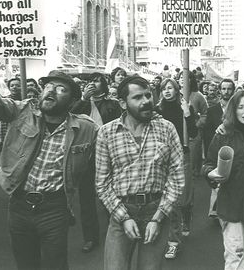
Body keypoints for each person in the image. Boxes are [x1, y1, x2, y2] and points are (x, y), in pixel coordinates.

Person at [0, 66, 99, 269]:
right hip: (19, 205)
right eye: (48, 85)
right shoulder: (21, 111)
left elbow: (113, 142)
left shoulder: (86, 128)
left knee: (55, 264)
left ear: (72, 100)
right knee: (25, 263)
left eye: (60, 89)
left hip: (55, 208)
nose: (50, 90)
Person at [95, 75, 185, 270]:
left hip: (156, 209)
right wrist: (124, 217)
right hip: (121, 211)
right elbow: (102, 183)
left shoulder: (166, 128)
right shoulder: (106, 133)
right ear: (122, 102)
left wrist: (158, 217)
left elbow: (177, 179)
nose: (146, 101)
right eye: (137, 98)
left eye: (148, 95)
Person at [203, 91, 244, 270]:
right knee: (235, 255)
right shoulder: (223, 134)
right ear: (234, 109)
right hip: (230, 205)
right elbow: (208, 164)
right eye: (240, 107)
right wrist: (211, 174)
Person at [71, 72, 122, 253]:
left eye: (97, 80)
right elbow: (70, 116)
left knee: (111, 195)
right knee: (86, 199)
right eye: (90, 81)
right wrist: (84, 99)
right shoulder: (82, 103)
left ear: (104, 84)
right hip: (87, 156)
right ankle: (90, 237)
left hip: (109, 155)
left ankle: (114, 231)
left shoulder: (112, 104)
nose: (93, 84)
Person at [154, 78, 197, 259]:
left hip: (182, 154)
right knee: (171, 200)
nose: (167, 91)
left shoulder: (185, 107)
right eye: (164, 88)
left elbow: (193, 133)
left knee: (183, 198)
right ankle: (173, 242)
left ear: (177, 89)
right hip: (163, 157)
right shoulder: (157, 110)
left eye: (170, 88)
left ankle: (186, 216)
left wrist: (187, 114)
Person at [203, 78, 236, 218]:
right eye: (224, 88)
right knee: (217, 181)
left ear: (233, 91)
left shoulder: (238, 109)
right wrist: (208, 153)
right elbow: (207, 134)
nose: (226, 91)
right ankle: (216, 210)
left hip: (234, 150)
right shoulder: (212, 111)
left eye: (229, 89)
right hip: (216, 151)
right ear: (220, 90)